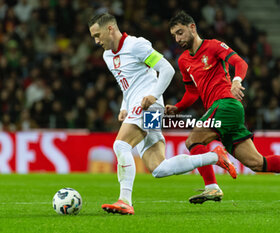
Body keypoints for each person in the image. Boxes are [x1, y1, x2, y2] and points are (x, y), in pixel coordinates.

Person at [166, 11, 280, 203]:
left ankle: (212, 187)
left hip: (226, 104)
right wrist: (178, 107)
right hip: (219, 111)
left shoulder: (213, 46)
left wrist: (236, 81)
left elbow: (240, 62)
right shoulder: (183, 60)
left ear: (192, 27)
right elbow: (192, 92)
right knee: (257, 163)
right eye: (175, 36)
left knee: (194, 140)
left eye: (180, 32)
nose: (178, 39)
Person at [88, 13, 237, 215]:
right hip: (136, 106)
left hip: (150, 106)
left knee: (120, 145)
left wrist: (153, 95)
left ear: (110, 29)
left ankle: (124, 200)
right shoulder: (108, 56)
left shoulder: (136, 46)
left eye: (97, 35)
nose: (96, 41)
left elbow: (166, 69)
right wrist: (124, 106)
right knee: (158, 168)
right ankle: (214, 156)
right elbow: (127, 85)